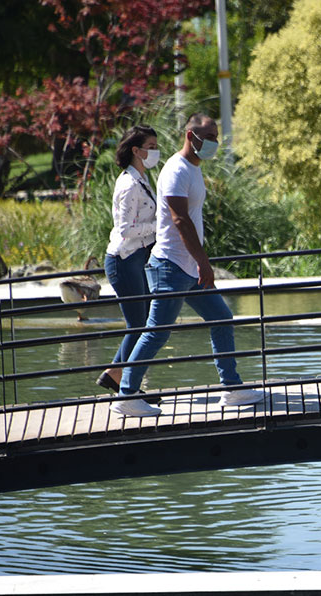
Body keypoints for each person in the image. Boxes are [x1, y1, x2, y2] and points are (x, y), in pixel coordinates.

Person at [111, 113, 264, 416]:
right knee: (157, 331)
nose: (215, 143)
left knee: (221, 318)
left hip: (188, 267)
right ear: (190, 137)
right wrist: (204, 263)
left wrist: (198, 264)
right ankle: (126, 396)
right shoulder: (175, 170)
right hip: (170, 265)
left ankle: (231, 388)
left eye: (216, 137)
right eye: (209, 137)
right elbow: (179, 219)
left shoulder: (194, 169)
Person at [97, 125, 159, 394]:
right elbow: (125, 230)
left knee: (143, 322)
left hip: (135, 259)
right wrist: (159, 227)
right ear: (136, 150)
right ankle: (120, 379)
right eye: (152, 147)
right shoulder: (129, 184)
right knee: (139, 324)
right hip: (123, 259)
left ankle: (118, 377)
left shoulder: (141, 180)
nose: (156, 151)